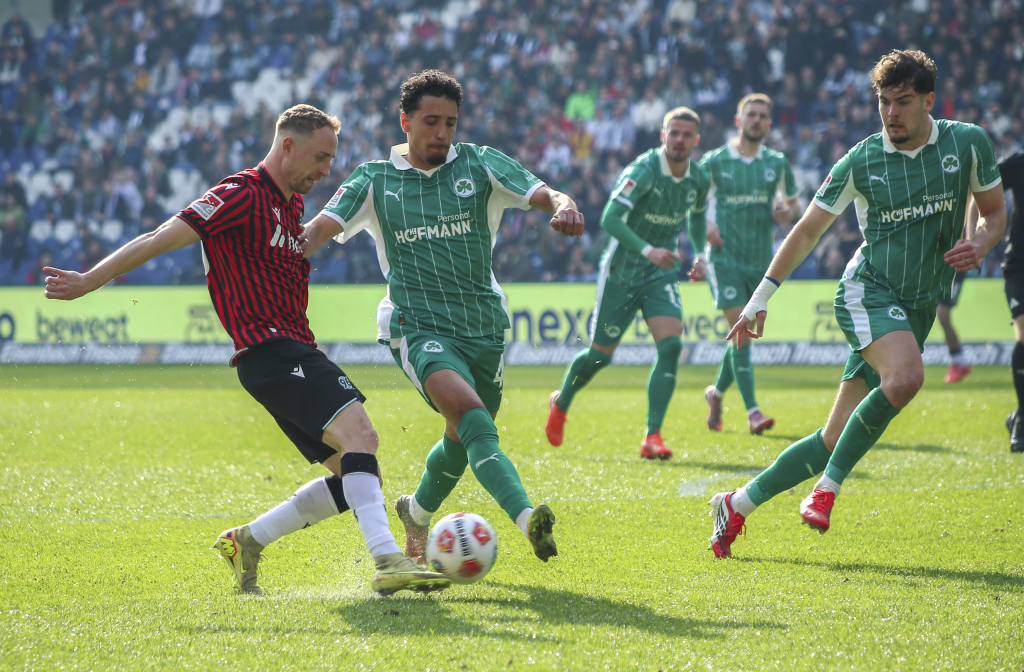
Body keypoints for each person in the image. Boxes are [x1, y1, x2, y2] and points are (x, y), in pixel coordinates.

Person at [42, 104, 449, 596]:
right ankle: (387, 561)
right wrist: (90, 279)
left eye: (331, 159)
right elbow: (160, 237)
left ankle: (247, 541)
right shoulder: (239, 195)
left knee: (358, 474)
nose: (326, 170)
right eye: (321, 157)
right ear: (288, 146)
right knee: (361, 436)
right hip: (271, 351)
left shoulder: (290, 206)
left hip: (290, 350)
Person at [707, 50, 1006, 558]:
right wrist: (760, 297)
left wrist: (979, 242)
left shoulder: (968, 142)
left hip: (917, 306)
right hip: (867, 291)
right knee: (905, 378)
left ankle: (735, 504)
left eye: (903, 101)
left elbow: (994, 212)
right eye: (884, 101)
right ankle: (826, 490)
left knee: (832, 436)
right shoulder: (862, 159)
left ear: (929, 100)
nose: (891, 112)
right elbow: (806, 231)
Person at [301, 70, 585, 565]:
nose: (442, 133)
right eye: (431, 122)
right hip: (417, 326)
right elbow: (315, 233)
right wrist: (269, 253)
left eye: (450, 123)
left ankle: (416, 512)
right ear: (405, 121)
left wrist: (566, 206)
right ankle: (528, 520)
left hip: (483, 325)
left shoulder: (479, 163)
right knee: (474, 418)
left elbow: (547, 194)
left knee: (462, 438)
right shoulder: (375, 180)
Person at [544, 107, 710, 460]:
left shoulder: (698, 178)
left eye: (687, 135)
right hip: (622, 271)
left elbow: (697, 218)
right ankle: (561, 402)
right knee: (600, 358)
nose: (679, 140)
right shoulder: (644, 170)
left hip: (659, 273)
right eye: (674, 133)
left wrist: (700, 254)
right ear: (663, 135)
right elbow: (610, 218)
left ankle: (652, 436)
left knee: (671, 346)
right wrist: (649, 250)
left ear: (696, 140)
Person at [699, 94, 801, 434]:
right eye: (750, 114)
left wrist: (788, 212)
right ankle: (753, 412)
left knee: (738, 337)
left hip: (761, 262)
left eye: (762, 116)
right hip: (724, 259)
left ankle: (716, 393)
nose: (756, 120)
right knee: (742, 333)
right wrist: (705, 227)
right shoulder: (714, 161)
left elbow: (796, 206)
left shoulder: (776, 163)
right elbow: (691, 203)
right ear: (738, 120)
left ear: (768, 124)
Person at [997, 151, 1024, 452]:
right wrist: (977, 235)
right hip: (1020, 266)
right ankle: (1023, 420)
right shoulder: (1017, 164)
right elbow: (979, 189)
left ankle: (1017, 414)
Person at [936, 271, 970, 383]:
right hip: (931, 269)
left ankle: (956, 361)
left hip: (953, 270)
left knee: (942, 316)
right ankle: (961, 361)